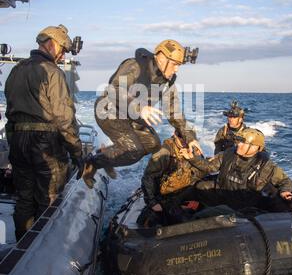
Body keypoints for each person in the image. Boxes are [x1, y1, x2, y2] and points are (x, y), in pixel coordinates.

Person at [83, 40, 201, 188]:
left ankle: (106, 154)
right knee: (134, 150)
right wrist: (140, 108)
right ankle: (92, 162)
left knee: (153, 144)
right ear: (161, 58)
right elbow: (114, 89)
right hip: (109, 109)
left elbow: (174, 111)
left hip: (131, 116)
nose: (176, 69)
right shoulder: (135, 66)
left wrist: (190, 137)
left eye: (179, 65)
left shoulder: (167, 81)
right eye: (174, 64)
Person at [5, 24, 83, 240]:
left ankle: (22, 244)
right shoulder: (53, 73)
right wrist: (77, 152)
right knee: (49, 200)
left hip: (19, 142)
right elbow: (65, 119)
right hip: (46, 145)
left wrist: (15, 144)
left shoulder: (16, 70)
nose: (62, 55)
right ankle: (43, 252)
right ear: (51, 44)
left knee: (24, 198)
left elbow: (10, 115)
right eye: (63, 50)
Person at [191, 128, 292, 213]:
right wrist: (191, 158)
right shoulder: (228, 154)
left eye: (243, 143)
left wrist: (285, 191)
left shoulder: (265, 165)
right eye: (239, 142)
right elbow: (210, 167)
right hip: (225, 194)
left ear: (255, 147)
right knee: (200, 187)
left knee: (208, 215)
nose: (238, 145)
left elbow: (285, 181)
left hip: (246, 206)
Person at [139, 130, 205, 224]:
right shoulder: (164, 153)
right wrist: (153, 203)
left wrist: (196, 158)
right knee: (181, 220)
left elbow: (201, 173)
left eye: (188, 138)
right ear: (175, 135)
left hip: (184, 193)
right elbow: (148, 177)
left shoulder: (193, 149)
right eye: (181, 137)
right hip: (166, 197)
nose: (184, 141)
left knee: (205, 209)